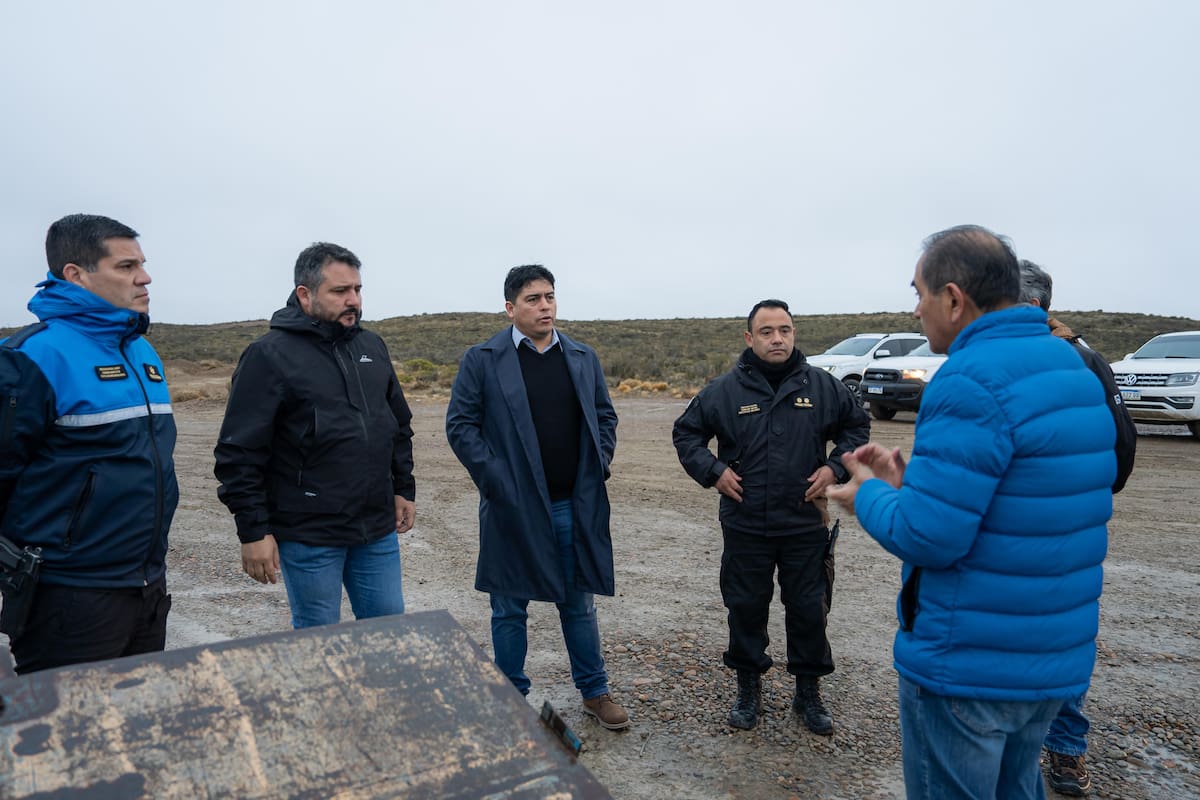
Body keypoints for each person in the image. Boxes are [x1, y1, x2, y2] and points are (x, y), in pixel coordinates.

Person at [828, 225, 1116, 799]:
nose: (915, 310)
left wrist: (869, 495)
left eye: (919, 293)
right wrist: (914, 482)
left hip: (971, 663)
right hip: (1048, 656)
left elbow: (929, 536)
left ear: (954, 299)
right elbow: (1029, 497)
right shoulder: (1070, 371)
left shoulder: (969, 379)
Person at [672, 299, 869, 734]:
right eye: (766, 331)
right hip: (746, 524)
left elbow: (856, 428)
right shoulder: (723, 391)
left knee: (808, 609)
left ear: (794, 334)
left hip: (804, 524)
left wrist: (835, 467)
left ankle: (809, 691)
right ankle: (748, 687)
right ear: (749, 338)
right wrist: (714, 471)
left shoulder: (823, 387)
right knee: (745, 607)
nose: (777, 338)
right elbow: (686, 434)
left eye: (785, 330)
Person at [445, 265, 628, 731]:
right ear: (511, 308)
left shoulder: (582, 357)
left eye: (549, 297)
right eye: (533, 299)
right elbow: (461, 426)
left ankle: (594, 691)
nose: (544, 306)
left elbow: (605, 417)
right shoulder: (482, 359)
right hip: (512, 508)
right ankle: (510, 697)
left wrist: (598, 462)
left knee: (578, 604)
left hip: (572, 504)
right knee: (509, 608)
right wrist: (498, 481)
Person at [0, 213, 178, 674]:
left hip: (146, 586)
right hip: (69, 595)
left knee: (133, 729)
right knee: (62, 735)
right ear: (75, 275)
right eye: (125, 267)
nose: (145, 276)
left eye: (141, 263)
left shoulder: (141, 350)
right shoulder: (32, 357)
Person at [214, 242, 415, 629]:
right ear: (305, 295)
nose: (353, 300)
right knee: (318, 640)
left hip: (375, 529)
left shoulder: (370, 345)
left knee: (388, 633)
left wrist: (403, 488)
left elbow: (396, 425)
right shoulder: (269, 355)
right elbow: (239, 452)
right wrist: (253, 530)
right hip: (309, 532)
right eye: (340, 292)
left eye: (357, 289)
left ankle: (374, 693)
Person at [1020, 259, 1137, 797]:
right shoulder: (1074, 355)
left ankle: (1065, 750)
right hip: (1037, 533)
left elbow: (1122, 447)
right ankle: (1036, 750)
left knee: (1060, 636)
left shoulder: (1079, 359)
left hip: (1059, 534)